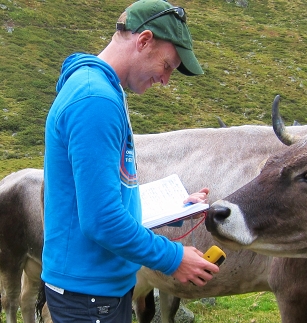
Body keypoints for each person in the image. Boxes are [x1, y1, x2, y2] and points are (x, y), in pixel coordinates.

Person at [41, 0, 219, 322]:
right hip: (90, 298)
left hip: (96, 291)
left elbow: (101, 199)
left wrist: (174, 209)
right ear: (144, 41)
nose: (165, 80)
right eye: (167, 66)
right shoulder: (96, 100)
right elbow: (101, 220)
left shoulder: (104, 91)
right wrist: (174, 258)